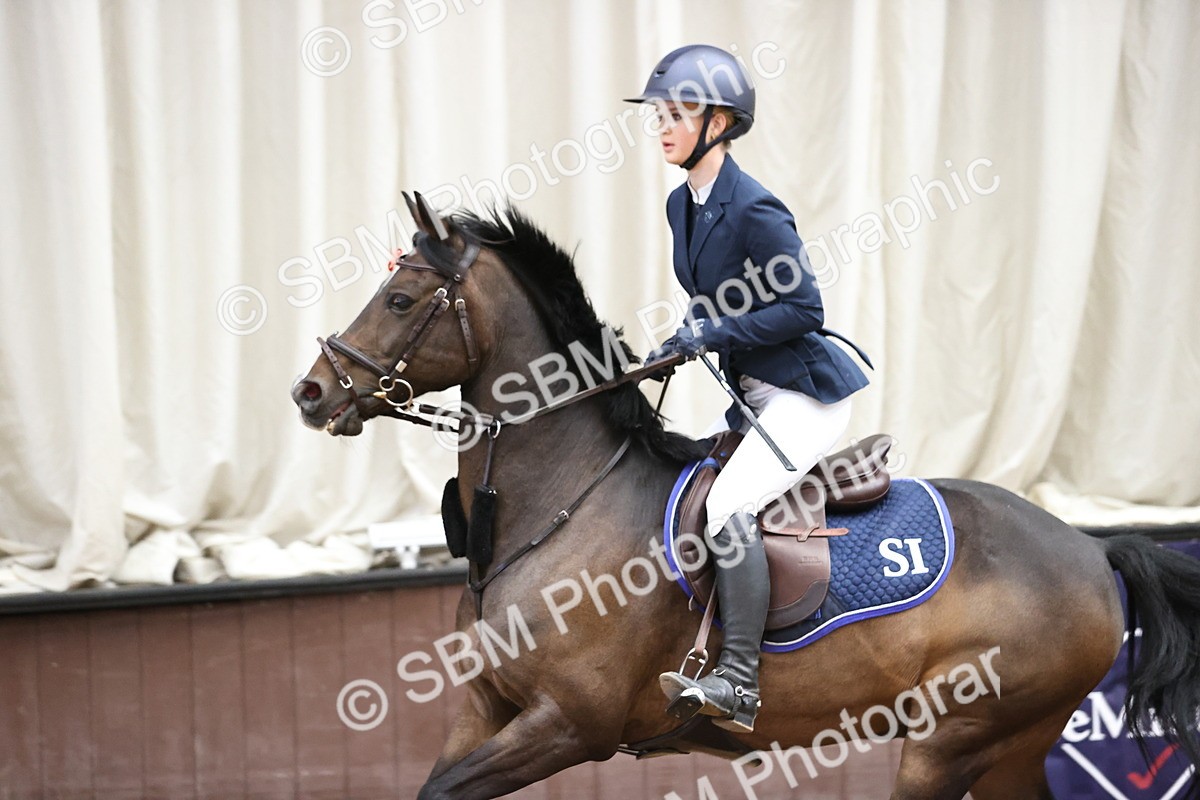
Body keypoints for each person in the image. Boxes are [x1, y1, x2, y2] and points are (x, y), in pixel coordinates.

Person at [626, 44, 872, 733]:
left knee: (729, 501)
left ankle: (738, 681)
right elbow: (712, 302)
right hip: (755, 393)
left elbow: (804, 311)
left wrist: (714, 331)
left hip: (805, 395)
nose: (663, 126)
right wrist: (683, 338)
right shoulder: (683, 207)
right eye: (661, 115)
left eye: (678, 113)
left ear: (722, 123)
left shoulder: (757, 208)